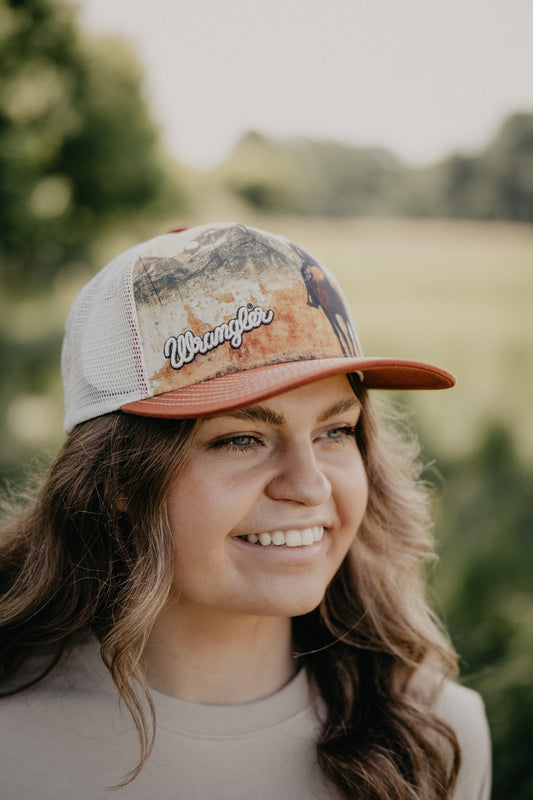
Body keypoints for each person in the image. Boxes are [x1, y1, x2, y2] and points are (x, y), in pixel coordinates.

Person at [0, 222, 490, 799]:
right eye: (240, 439)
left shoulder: (434, 736)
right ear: (116, 481)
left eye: (335, 431)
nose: (309, 486)